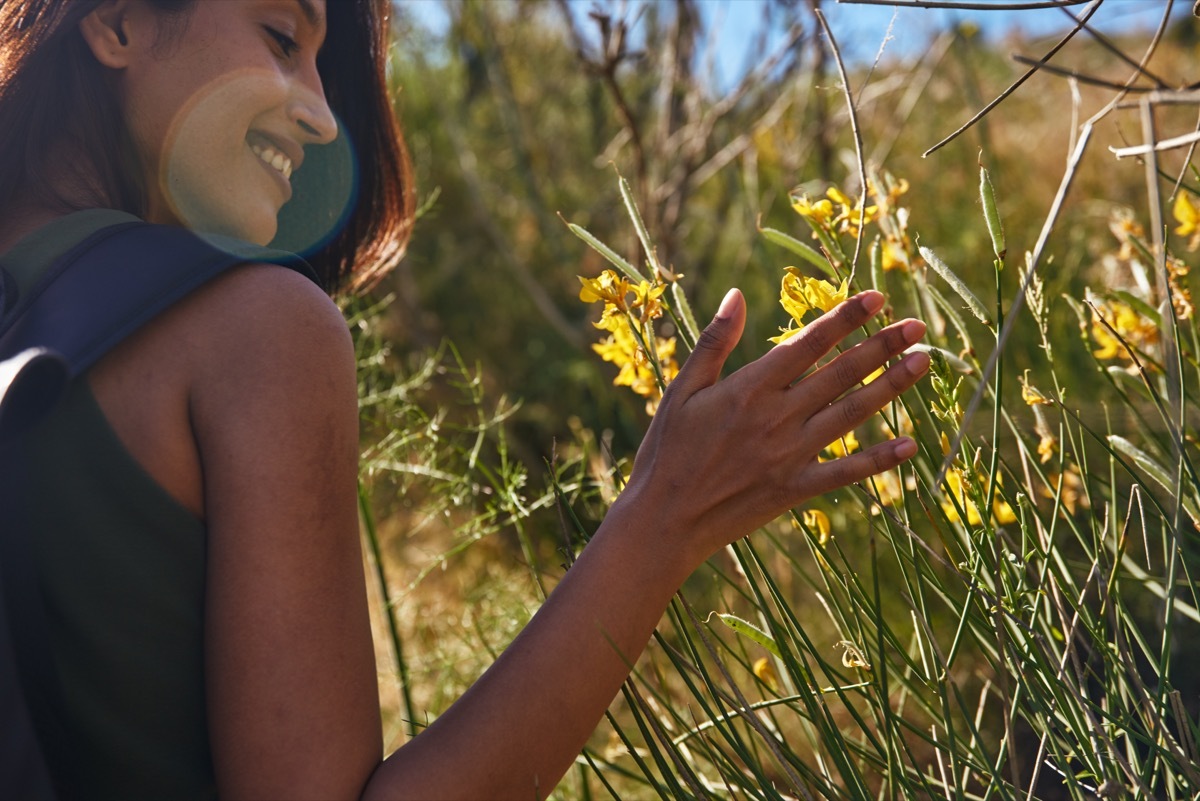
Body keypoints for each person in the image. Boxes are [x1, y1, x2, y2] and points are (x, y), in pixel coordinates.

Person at [0, 0, 930, 798]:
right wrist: (665, 518)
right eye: (282, 36)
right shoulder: (253, 334)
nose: (323, 116)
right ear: (116, 20)